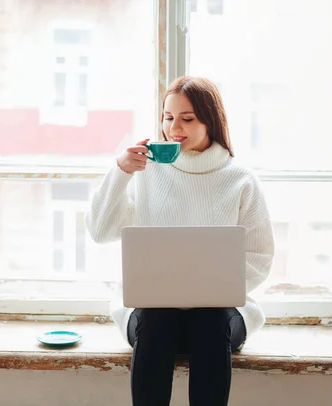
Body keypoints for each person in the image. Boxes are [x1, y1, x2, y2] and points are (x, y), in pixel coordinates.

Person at [85, 76, 274, 406]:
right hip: (154, 316)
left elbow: (259, 257)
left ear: (210, 120)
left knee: (210, 322)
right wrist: (120, 172)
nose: (174, 128)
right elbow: (100, 231)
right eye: (168, 117)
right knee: (157, 320)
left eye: (187, 119)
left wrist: (216, 286)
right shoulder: (145, 172)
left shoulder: (240, 179)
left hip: (219, 316)